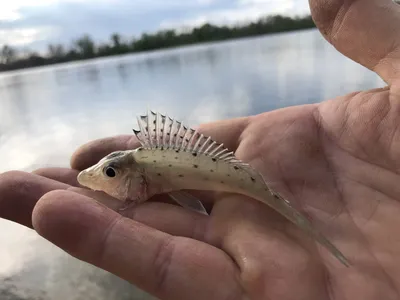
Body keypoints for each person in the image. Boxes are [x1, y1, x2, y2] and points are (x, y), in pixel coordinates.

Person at [2, 0, 400, 299]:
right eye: (111, 172)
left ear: (136, 177)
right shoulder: (145, 168)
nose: (101, 177)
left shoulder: (146, 169)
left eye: (111, 173)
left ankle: (317, 234)